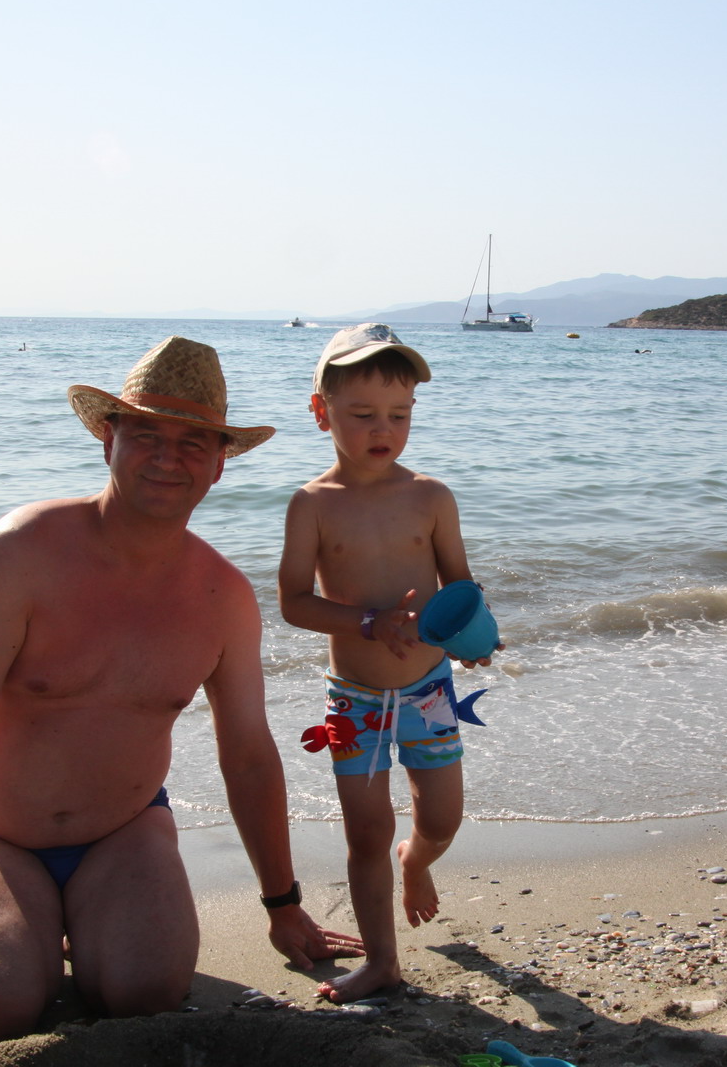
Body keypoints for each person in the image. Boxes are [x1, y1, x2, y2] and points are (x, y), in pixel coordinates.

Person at [0, 336, 362, 1041]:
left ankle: (90, 928)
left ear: (219, 464)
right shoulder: (17, 554)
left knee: (146, 994)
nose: (167, 458)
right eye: (146, 434)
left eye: (192, 443)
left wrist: (283, 903)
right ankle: (10, 917)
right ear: (107, 439)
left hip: (127, 831)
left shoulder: (223, 598)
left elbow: (247, 754)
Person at [278, 323, 498, 1003]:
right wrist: (367, 622)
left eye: (399, 415)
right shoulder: (312, 505)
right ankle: (381, 962)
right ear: (321, 412)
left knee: (442, 820)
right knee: (366, 831)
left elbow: (460, 585)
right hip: (355, 698)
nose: (384, 430)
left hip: (429, 689)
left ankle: (416, 861)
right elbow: (293, 602)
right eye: (364, 414)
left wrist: (474, 635)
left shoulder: (430, 496)